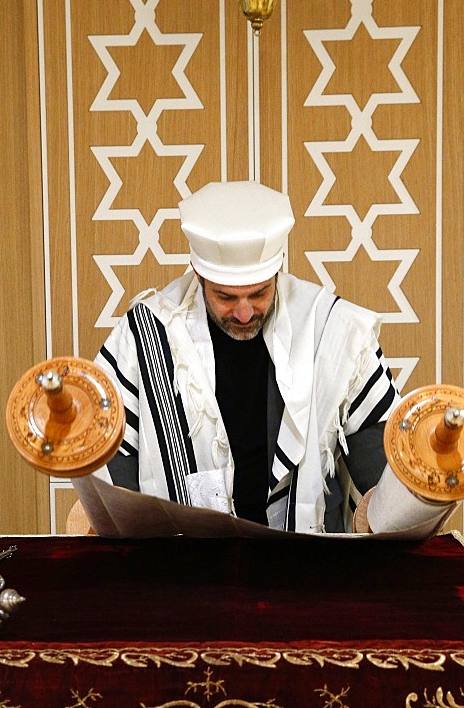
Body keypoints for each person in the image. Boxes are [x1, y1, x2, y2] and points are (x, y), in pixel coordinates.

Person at [78, 180, 401, 534]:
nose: (245, 313)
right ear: (199, 275)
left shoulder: (334, 329)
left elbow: (379, 457)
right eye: (226, 297)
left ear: (277, 273)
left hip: (304, 561)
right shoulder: (145, 334)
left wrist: (393, 504)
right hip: (183, 565)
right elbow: (111, 462)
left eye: (259, 293)